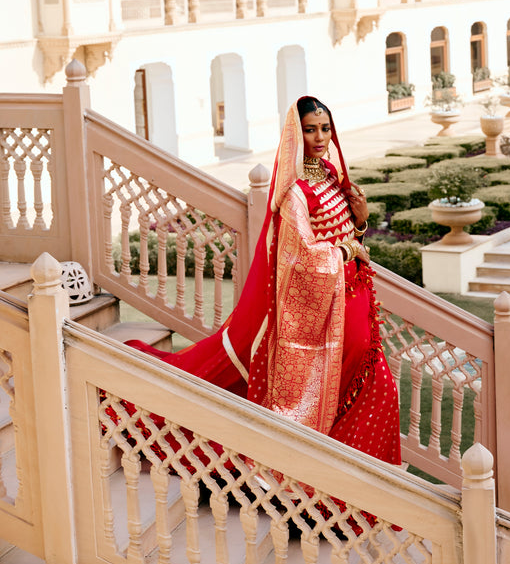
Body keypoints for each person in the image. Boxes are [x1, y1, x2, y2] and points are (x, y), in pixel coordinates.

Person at [128, 95, 401, 467]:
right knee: (363, 389)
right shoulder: (294, 195)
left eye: (325, 129)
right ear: (295, 134)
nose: (320, 137)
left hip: (352, 304)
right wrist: (347, 253)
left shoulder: (333, 178)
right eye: (310, 130)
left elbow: (347, 235)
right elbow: (301, 258)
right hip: (323, 315)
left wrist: (361, 221)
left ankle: (356, 478)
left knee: (377, 388)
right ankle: (329, 477)